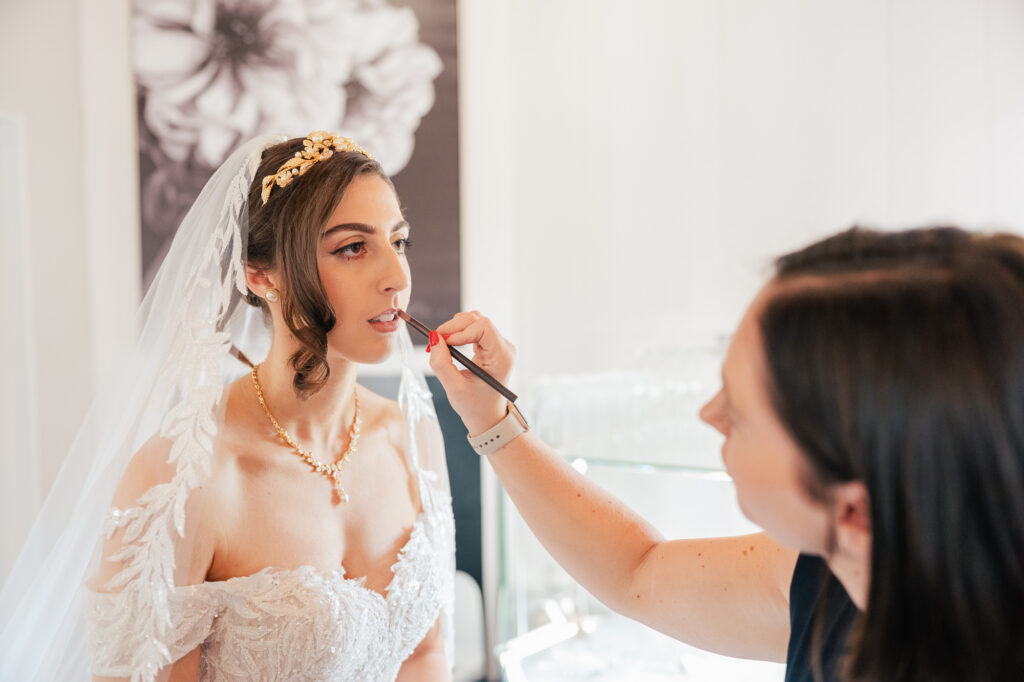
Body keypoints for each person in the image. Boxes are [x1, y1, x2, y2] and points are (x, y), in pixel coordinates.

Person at [428, 226, 1024, 682]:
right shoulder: (832, 574)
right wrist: (490, 418)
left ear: (853, 509)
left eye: (740, 408)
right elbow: (638, 570)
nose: (708, 414)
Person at [0, 132, 455, 681]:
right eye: (352, 248)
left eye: (398, 241)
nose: (397, 278)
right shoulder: (181, 477)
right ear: (260, 276)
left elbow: (425, 655)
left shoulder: (409, 434)